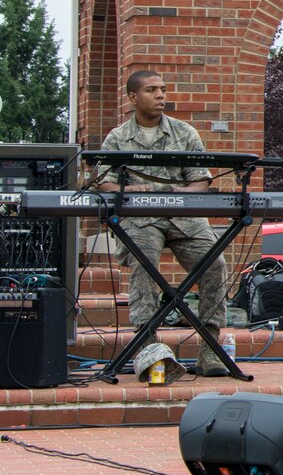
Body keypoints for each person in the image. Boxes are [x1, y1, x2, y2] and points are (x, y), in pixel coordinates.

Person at [95, 70, 227, 381]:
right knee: (144, 263)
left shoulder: (184, 132)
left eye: (163, 89)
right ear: (132, 98)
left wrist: (180, 194)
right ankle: (149, 346)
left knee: (215, 263)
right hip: (141, 218)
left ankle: (210, 348)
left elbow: (200, 182)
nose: (160, 96)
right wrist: (130, 192)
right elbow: (103, 183)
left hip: (185, 218)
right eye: (152, 90)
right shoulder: (117, 138)